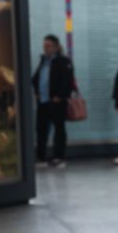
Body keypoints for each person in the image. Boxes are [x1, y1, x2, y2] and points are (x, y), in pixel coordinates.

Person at [30, 34, 74, 167]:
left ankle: (59, 157)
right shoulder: (44, 61)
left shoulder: (64, 61)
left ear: (55, 47)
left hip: (56, 102)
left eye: (48, 46)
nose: (46, 48)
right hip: (43, 102)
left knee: (59, 130)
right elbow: (35, 79)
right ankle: (41, 158)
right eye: (44, 46)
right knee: (41, 130)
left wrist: (59, 96)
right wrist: (37, 93)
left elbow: (68, 81)